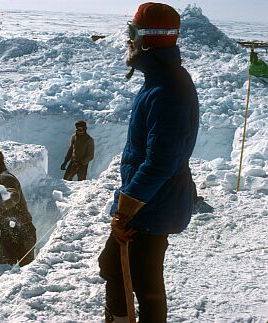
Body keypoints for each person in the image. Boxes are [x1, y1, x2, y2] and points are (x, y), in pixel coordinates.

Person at [98, 3, 199, 323]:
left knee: (144, 281)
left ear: (146, 39)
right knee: (115, 266)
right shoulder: (163, 81)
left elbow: (160, 162)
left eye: (131, 32)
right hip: (152, 199)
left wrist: (125, 209)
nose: (126, 40)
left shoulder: (167, 89)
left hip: (152, 204)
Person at [0, 150, 37, 267]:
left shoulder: (5, 178)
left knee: (25, 272)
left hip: (22, 231)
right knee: (6, 271)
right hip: (9, 232)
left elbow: (14, 196)